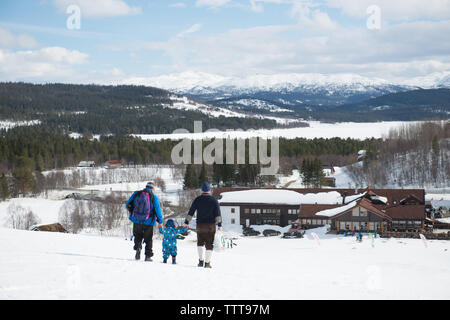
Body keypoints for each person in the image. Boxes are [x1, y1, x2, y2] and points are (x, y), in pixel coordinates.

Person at [184, 182, 222, 269]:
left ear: (202, 190)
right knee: (209, 244)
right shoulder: (214, 200)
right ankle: (207, 263)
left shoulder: (197, 199)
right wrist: (219, 224)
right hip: (210, 226)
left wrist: (187, 222)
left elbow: (191, 212)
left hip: (200, 225)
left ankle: (201, 261)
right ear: (209, 190)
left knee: (200, 243)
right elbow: (218, 214)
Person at [125, 182, 163, 261]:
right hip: (148, 222)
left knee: (137, 236)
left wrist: (133, 212)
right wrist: (160, 221)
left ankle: (138, 249)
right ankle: (148, 256)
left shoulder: (137, 194)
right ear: (152, 188)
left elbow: (127, 204)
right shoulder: (154, 197)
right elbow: (158, 210)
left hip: (136, 220)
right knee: (148, 239)